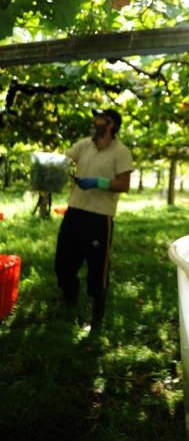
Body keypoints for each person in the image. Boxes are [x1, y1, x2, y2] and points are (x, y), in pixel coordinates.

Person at [55, 107, 133, 332]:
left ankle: (96, 321)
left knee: (98, 269)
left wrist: (99, 183)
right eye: (96, 118)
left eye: (101, 119)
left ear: (111, 125)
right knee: (63, 264)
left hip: (99, 217)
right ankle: (70, 307)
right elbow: (64, 161)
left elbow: (124, 184)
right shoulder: (84, 145)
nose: (96, 122)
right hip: (75, 212)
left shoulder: (121, 151)